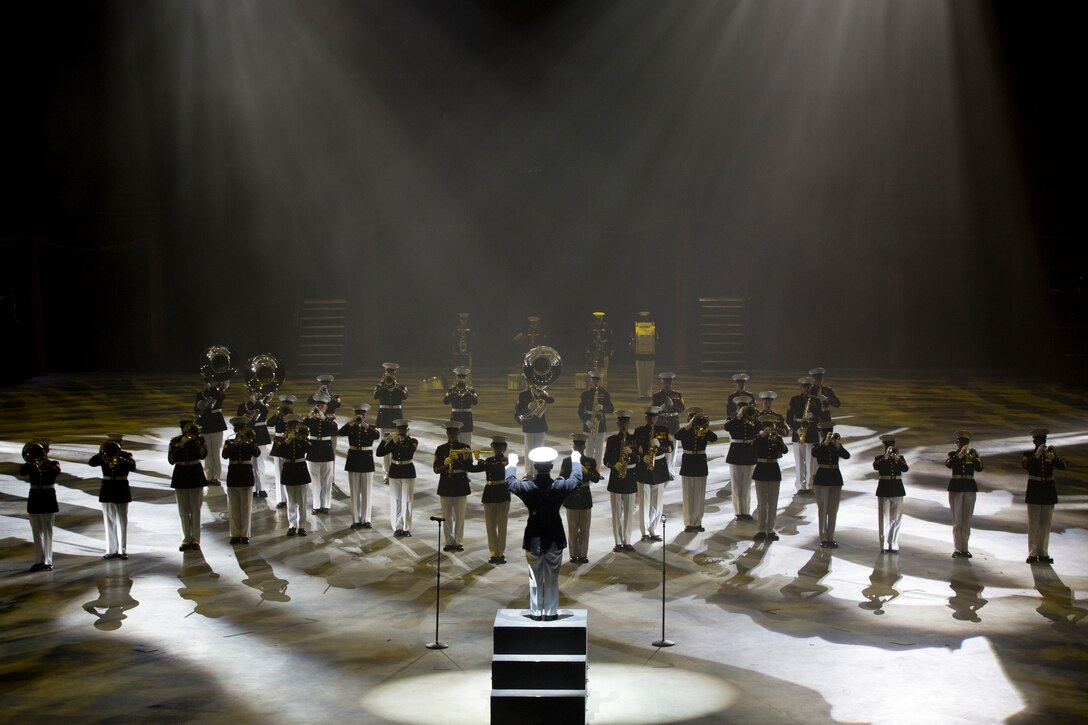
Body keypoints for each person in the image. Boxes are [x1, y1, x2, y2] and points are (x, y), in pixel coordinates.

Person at [505, 446, 584, 621]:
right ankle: (550, 613)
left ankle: (535, 612)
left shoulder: (527, 487)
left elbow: (510, 482)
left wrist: (511, 464)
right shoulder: (559, 486)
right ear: (551, 467)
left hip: (534, 536)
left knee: (534, 577)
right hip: (554, 536)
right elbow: (576, 479)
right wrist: (576, 461)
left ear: (534, 467)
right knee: (552, 577)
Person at [433, 421, 483, 552]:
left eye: (454, 432)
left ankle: (459, 541)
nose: (452, 435)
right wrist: (444, 464)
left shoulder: (465, 448)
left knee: (460, 516)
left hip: (460, 483)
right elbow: (436, 470)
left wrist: (462, 459)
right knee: (446, 516)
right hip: (446, 484)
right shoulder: (441, 449)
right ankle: (449, 541)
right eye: (450, 432)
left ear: (458, 433)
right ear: (447, 433)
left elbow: (469, 468)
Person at [89, 434, 136, 560]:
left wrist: (120, 457)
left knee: (122, 520)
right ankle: (111, 550)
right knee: (109, 521)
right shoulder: (104, 455)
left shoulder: (126, 455)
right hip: (108, 489)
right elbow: (91, 463)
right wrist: (101, 452)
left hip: (121, 489)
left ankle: (122, 550)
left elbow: (133, 467)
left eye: (117, 443)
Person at [1022, 429, 1066, 564]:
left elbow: (1063, 466)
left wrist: (1054, 458)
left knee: (1045, 524)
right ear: (1034, 441)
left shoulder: (1050, 453)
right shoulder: (1028, 454)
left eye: (1043, 441)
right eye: (1039, 441)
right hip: (1035, 491)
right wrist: (1036, 455)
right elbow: (1026, 466)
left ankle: (1043, 553)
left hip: (1048, 491)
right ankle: (1032, 553)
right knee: (1034, 523)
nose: (1042, 443)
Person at [674, 408, 718, 533]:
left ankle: (698, 522)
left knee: (699, 495)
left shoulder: (703, 430)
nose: (694, 421)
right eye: (692, 419)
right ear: (688, 419)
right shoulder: (685, 431)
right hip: (688, 464)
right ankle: (688, 522)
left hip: (700, 464)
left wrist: (705, 427)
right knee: (688, 495)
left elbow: (714, 438)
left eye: (695, 419)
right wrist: (689, 425)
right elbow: (677, 436)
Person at [168, 417, 208, 551]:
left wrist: (195, 441)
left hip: (195, 473)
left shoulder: (199, 440)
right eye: (185, 428)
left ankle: (195, 539)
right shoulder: (175, 441)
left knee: (196, 509)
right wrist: (181, 444)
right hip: (181, 474)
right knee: (183, 510)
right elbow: (171, 460)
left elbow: (203, 455)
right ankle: (186, 539)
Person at [633, 406, 673, 542]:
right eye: (649, 417)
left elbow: (670, 447)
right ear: (645, 418)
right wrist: (642, 456)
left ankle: (654, 529)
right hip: (644, 467)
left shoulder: (663, 430)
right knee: (644, 501)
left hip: (659, 468)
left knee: (657, 501)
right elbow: (634, 449)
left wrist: (659, 447)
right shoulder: (638, 431)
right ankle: (644, 531)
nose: (651, 420)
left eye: (654, 417)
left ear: (657, 418)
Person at [20, 439, 60, 571]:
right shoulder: (30, 463)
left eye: (44, 449)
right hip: (35, 499)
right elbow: (22, 472)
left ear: (47, 451)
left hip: (48, 499)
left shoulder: (53, 464)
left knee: (48, 530)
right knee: (36, 531)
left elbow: (55, 472)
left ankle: (48, 561)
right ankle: (39, 561)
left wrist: (44, 462)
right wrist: (30, 461)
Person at [561, 433, 602, 564]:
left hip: (584, 497)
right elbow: (562, 478)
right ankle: (573, 554)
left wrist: (586, 471)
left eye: (580, 445)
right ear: (573, 446)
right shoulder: (566, 461)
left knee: (584, 529)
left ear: (584, 446)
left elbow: (596, 478)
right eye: (576, 445)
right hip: (572, 497)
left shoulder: (590, 461)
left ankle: (583, 554)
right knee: (572, 529)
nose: (578, 447)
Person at [340, 404, 380, 530]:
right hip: (353, 460)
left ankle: (366, 519)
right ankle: (356, 520)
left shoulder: (370, 427)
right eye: (358, 414)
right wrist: (351, 423)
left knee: (366, 492)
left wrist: (365, 425)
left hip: (366, 461)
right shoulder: (351, 427)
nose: (361, 416)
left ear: (366, 415)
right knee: (355, 492)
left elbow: (376, 436)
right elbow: (340, 432)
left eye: (363, 414)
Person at [377, 419, 418, 537]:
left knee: (407, 500)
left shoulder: (413, 441)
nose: (401, 431)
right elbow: (379, 453)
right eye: (399, 429)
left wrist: (396, 442)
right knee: (395, 500)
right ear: (396, 429)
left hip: (408, 471)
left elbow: (409, 451)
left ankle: (406, 528)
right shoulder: (393, 441)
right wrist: (385, 440)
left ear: (407, 430)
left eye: (404, 429)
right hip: (395, 471)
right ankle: (396, 527)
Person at [603, 411, 638, 552]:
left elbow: (639, 459)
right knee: (616, 513)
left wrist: (632, 454)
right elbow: (605, 460)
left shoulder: (634, 439)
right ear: (618, 424)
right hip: (616, 478)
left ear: (629, 423)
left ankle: (627, 541)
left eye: (626, 423)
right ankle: (617, 542)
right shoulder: (611, 440)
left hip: (629, 476)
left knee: (629, 512)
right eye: (621, 423)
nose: (623, 425)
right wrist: (614, 465)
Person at [222, 416, 260, 544]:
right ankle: (235, 533)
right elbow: (225, 455)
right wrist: (232, 444)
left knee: (246, 506)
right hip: (233, 473)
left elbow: (257, 453)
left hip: (246, 474)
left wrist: (249, 442)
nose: (239, 430)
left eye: (241, 428)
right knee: (233, 506)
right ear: (234, 429)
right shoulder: (229, 441)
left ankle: (245, 534)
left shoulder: (250, 440)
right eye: (237, 428)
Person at [812, 421, 850, 548]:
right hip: (822, 478)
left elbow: (847, 456)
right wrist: (825, 442)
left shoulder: (836, 445)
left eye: (831, 433)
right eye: (827, 433)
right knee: (823, 509)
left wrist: (838, 446)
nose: (829, 435)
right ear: (822, 434)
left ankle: (831, 537)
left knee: (833, 510)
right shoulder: (817, 445)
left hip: (835, 478)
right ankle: (823, 537)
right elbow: (815, 453)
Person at [946, 431, 983, 558]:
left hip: (969, 487)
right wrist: (960, 455)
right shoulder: (953, 455)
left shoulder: (973, 454)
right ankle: (957, 548)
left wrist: (973, 458)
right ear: (957, 443)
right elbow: (949, 464)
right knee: (957, 520)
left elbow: (979, 468)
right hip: (956, 487)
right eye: (961, 442)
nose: (963, 445)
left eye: (965, 443)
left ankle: (965, 548)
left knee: (967, 519)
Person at [752, 414, 789, 541]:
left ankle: (771, 528)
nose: (768, 427)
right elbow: (752, 446)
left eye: (770, 425)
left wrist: (778, 441)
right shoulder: (758, 438)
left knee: (773, 502)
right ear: (763, 426)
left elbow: (785, 450)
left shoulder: (776, 437)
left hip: (773, 469)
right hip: (761, 469)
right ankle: (761, 529)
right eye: (766, 425)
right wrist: (762, 435)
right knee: (762, 502)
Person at [724, 396, 759, 521]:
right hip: (736, 455)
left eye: (745, 407)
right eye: (740, 407)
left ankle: (746, 511)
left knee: (747, 485)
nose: (743, 409)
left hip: (749, 454)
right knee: (736, 484)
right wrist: (738, 417)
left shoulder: (754, 420)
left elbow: (758, 427)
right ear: (737, 408)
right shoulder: (732, 420)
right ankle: (738, 511)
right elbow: (727, 427)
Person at [873, 434, 908, 553]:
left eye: (891, 446)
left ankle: (893, 543)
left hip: (897, 489)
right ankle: (883, 545)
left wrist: (897, 458)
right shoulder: (880, 458)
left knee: (896, 519)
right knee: (884, 518)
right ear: (884, 446)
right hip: (884, 489)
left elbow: (905, 469)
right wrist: (886, 457)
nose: (890, 448)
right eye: (888, 446)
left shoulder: (900, 458)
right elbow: (876, 467)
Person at [373, 362, 409, 483]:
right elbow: (375, 396)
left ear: (395, 373)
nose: (390, 374)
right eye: (388, 372)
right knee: (385, 447)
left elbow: (405, 397)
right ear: (385, 373)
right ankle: (386, 475)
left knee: (397, 446)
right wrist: (383, 385)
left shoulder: (401, 386)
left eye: (392, 372)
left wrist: (396, 387)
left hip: (396, 418)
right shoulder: (380, 386)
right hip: (384, 419)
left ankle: (397, 470)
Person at [481, 437, 514, 564]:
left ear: (504, 448)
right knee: (490, 525)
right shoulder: (489, 460)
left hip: (502, 493)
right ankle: (493, 552)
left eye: (500, 447)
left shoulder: (508, 461)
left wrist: (487, 464)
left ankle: (501, 552)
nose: (498, 449)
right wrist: (467, 459)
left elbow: (501, 469)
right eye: (495, 447)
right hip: (489, 493)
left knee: (502, 525)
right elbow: (474, 469)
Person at [305, 390, 339, 515]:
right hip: (313, 451)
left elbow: (334, 429)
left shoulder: (331, 419)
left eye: (322, 405)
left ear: (326, 407)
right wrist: (309, 416)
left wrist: (324, 417)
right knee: (315, 480)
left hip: (326, 451)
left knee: (327, 480)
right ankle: (316, 505)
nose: (319, 407)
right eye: (318, 405)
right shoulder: (311, 418)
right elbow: (303, 426)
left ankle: (326, 505)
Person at [278, 414, 312, 536]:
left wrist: (300, 439)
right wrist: (287, 440)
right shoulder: (282, 439)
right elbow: (278, 452)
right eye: (291, 426)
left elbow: (310, 449)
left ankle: (302, 526)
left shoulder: (302, 438)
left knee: (302, 501)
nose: (293, 428)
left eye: (295, 426)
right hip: (288, 470)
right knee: (291, 501)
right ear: (287, 427)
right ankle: (292, 525)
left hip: (301, 469)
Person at [786, 377, 820, 495]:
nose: (807, 389)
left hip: (811, 433)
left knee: (811, 462)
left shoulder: (816, 400)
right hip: (798, 432)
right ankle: (800, 486)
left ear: (811, 387)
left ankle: (810, 485)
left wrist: (813, 417)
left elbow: (820, 418)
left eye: (809, 387)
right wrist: (796, 429)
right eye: (804, 387)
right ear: (801, 388)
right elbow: (789, 418)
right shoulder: (794, 399)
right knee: (799, 461)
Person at [515, 378, 555, 477]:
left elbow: (551, 400)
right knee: (528, 448)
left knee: (539, 448)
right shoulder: (523, 394)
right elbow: (519, 411)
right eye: (527, 381)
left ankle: (538, 471)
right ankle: (529, 471)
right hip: (528, 424)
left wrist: (541, 395)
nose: (529, 383)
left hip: (540, 424)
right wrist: (527, 407)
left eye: (530, 381)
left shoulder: (541, 392)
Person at [237, 390, 272, 500]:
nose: (254, 395)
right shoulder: (242, 406)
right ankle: (252, 488)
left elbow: (263, 414)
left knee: (260, 464)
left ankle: (261, 489)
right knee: (250, 464)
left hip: (260, 437)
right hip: (247, 437)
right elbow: (239, 420)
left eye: (256, 393)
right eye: (252, 392)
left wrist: (257, 403)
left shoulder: (263, 406)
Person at [194, 378, 228, 485]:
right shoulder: (200, 394)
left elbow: (219, 397)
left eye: (213, 381)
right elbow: (196, 409)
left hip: (217, 425)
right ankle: (208, 476)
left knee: (215, 453)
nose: (211, 383)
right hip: (205, 425)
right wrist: (200, 406)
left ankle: (216, 476)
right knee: (207, 453)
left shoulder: (219, 393)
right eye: (209, 382)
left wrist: (215, 387)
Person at [578, 369, 614, 465]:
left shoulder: (605, 393)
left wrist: (603, 407)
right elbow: (580, 411)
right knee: (589, 448)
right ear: (591, 381)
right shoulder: (585, 394)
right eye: (594, 380)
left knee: (599, 448)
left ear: (600, 381)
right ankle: (589, 468)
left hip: (600, 422)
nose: (596, 382)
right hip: (589, 421)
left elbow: (611, 409)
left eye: (597, 380)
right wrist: (586, 421)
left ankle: (597, 470)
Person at [267, 394, 296, 508]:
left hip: (289, 445)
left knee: (290, 473)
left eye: (288, 405)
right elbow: (268, 423)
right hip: (279, 445)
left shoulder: (293, 417)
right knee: (279, 473)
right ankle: (281, 499)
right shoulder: (277, 416)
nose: (286, 407)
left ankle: (290, 498)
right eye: (284, 405)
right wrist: (276, 414)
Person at [652, 372, 685, 469]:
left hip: (673, 423)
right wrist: (661, 407)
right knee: (661, 445)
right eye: (665, 383)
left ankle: (670, 469)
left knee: (673, 447)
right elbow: (653, 410)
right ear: (662, 383)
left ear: (671, 383)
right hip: (661, 423)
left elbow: (682, 409)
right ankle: (662, 467)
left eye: (669, 383)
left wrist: (673, 406)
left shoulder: (677, 395)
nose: (667, 385)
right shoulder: (657, 395)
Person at [444, 367, 479, 447]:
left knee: (466, 441)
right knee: (455, 440)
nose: (461, 379)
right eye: (460, 377)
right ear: (457, 378)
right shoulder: (452, 390)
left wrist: (469, 393)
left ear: (466, 378)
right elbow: (445, 401)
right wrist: (451, 393)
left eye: (463, 377)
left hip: (467, 418)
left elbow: (475, 402)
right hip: (456, 417)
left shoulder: (471, 391)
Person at [631, 311, 656, 399]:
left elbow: (656, 341)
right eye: (643, 319)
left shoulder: (653, 328)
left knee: (648, 375)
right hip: (640, 355)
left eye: (645, 319)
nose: (644, 321)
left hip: (649, 355)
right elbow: (632, 341)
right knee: (641, 375)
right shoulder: (636, 328)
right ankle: (642, 393)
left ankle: (648, 393)